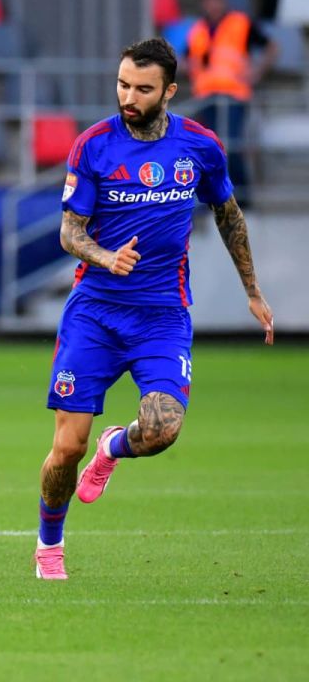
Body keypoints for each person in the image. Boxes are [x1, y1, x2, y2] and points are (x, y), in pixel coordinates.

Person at [35, 38, 274, 581]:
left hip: (162, 315)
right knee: (65, 449)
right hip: (95, 312)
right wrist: (104, 255)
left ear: (169, 90)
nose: (128, 96)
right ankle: (50, 543)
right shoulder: (93, 145)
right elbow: (70, 232)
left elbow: (228, 215)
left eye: (142, 88)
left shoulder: (200, 146)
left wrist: (252, 291)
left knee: (163, 429)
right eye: (122, 84)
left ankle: (114, 446)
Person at [185, 0, 278, 206]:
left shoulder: (240, 23)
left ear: (223, 0)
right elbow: (187, 58)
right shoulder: (197, 29)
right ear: (203, 3)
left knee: (231, 147)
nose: (212, 4)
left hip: (233, 95)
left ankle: (242, 199)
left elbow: (272, 47)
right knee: (212, 150)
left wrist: (256, 72)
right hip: (207, 97)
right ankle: (218, 200)